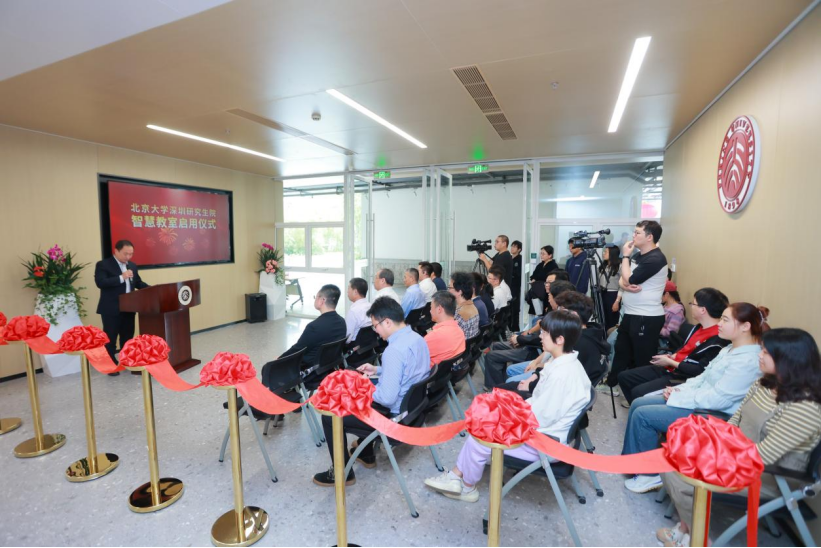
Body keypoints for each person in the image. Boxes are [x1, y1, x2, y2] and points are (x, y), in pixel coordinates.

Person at [657, 328, 821, 548]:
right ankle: (689, 530)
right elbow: (735, 420)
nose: (759, 355)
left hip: (771, 475)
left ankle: (699, 539)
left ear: (789, 360)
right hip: (739, 456)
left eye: (766, 352)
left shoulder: (805, 407)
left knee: (683, 476)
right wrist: (712, 445)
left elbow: (764, 456)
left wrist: (712, 458)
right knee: (672, 460)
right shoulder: (764, 384)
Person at [423, 310, 591, 503]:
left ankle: (466, 487)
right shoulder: (566, 364)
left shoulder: (561, 375)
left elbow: (539, 418)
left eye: (545, 333)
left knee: (479, 436)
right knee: (487, 422)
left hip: (544, 442)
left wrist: (505, 417)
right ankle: (456, 476)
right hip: (547, 431)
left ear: (560, 339)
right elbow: (539, 407)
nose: (540, 336)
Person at [621, 302, 769, 495]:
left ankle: (649, 474)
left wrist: (680, 397)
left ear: (745, 326)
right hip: (698, 402)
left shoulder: (747, 362)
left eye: (725, 320)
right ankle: (633, 463)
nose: (719, 324)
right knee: (639, 403)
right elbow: (702, 378)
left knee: (643, 415)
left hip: (713, 415)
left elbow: (718, 400)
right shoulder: (728, 350)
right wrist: (678, 390)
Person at [312, 297, 430, 487]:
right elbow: (409, 371)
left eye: (375, 325)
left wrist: (360, 389)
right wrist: (378, 370)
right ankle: (366, 453)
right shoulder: (417, 338)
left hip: (393, 418)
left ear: (387, 322)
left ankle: (342, 473)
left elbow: (386, 398)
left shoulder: (394, 350)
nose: (375, 330)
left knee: (330, 417)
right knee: (367, 391)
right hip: (412, 412)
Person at [618, 287, 730, 404]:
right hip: (671, 366)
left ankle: (642, 408)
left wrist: (671, 362)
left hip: (682, 376)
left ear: (703, 310)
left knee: (638, 392)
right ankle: (638, 406)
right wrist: (672, 356)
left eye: (693, 303)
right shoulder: (698, 327)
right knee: (624, 377)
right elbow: (685, 348)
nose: (691, 306)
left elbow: (700, 370)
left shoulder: (718, 339)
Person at [504, 291, 610, 391]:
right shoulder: (585, 332)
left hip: (560, 388)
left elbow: (557, 375)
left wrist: (536, 372)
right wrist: (536, 366)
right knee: (511, 372)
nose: (557, 312)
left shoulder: (578, 342)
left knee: (510, 382)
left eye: (561, 309)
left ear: (573, 315)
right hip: (552, 373)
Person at [607, 221, 669, 389]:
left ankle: (641, 391)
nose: (633, 236)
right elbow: (623, 279)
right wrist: (626, 284)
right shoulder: (638, 256)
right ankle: (613, 384)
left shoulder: (655, 259)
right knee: (621, 350)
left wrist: (625, 256)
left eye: (637, 233)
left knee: (643, 358)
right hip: (631, 313)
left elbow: (629, 278)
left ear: (649, 237)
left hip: (646, 316)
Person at [483, 281, 576, 389]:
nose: (548, 297)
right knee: (496, 346)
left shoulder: (560, 320)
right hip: (534, 348)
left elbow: (540, 340)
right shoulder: (556, 314)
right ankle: (501, 385)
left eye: (550, 295)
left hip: (532, 349)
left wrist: (520, 339)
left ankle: (497, 388)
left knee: (492, 356)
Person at [94, 239, 150, 374]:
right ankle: (110, 365)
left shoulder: (132, 265)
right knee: (110, 338)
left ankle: (129, 362)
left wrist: (152, 289)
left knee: (128, 337)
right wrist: (121, 277)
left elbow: (137, 282)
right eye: (126, 254)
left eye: (131, 254)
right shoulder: (103, 264)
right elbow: (101, 283)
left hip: (129, 308)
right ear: (116, 251)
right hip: (111, 308)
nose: (128, 257)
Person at [282, 284, 347, 375]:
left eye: (316, 297)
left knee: (268, 368)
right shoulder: (342, 322)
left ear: (322, 300)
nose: (315, 299)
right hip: (329, 369)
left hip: (311, 372)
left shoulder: (314, 327)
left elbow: (297, 350)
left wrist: (280, 358)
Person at [425, 291, 466, 369]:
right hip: (447, 372)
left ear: (439, 309)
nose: (430, 311)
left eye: (431, 307)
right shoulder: (460, 331)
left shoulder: (434, 336)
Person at [527, 245, 558, 316]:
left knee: (544, 313)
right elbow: (534, 275)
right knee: (536, 311)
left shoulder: (553, 266)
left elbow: (553, 280)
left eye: (543, 254)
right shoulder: (540, 265)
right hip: (536, 291)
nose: (541, 255)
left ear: (550, 255)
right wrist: (533, 279)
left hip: (546, 292)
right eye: (541, 253)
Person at [449, 272, 480, 340]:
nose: (448, 290)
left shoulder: (460, 314)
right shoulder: (472, 306)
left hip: (460, 345)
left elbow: (450, 337)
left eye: (450, 287)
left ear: (459, 292)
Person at [599, 244, 621, 330]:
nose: (603, 253)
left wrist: (617, 301)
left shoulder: (619, 266)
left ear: (612, 253)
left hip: (613, 295)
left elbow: (622, 285)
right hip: (602, 294)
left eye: (606, 252)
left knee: (612, 319)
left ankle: (611, 336)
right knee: (603, 318)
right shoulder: (603, 266)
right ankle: (603, 336)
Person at [345, 278, 371, 345]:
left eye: (348, 288)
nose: (347, 291)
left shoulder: (353, 311)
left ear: (355, 292)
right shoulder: (371, 306)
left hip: (354, 348)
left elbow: (347, 338)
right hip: (369, 347)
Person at [509, 240, 523, 332]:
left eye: (514, 247)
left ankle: (515, 327)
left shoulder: (520, 259)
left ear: (519, 249)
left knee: (515, 307)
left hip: (515, 286)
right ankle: (508, 326)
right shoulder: (509, 258)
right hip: (508, 285)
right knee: (508, 307)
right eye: (512, 246)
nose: (512, 248)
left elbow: (518, 273)